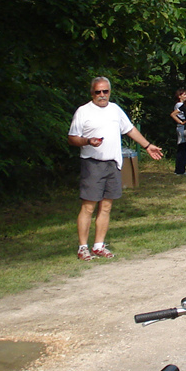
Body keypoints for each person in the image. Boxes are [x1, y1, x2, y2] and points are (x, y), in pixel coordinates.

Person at [68, 77, 163, 259]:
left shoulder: (115, 110)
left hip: (113, 163)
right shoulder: (83, 111)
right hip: (92, 163)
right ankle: (82, 247)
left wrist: (147, 145)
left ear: (110, 92)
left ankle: (99, 245)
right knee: (88, 207)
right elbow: (72, 137)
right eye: (98, 92)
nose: (102, 95)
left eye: (105, 91)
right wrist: (87, 141)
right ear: (92, 93)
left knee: (106, 206)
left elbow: (129, 129)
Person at [170, 87, 186, 175]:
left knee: (184, 148)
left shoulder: (181, 104)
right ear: (179, 96)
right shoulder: (179, 105)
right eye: (184, 94)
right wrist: (181, 122)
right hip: (182, 128)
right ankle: (179, 169)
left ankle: (182, 168)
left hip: (183, 127)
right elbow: (174, 115)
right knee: (182, 148)